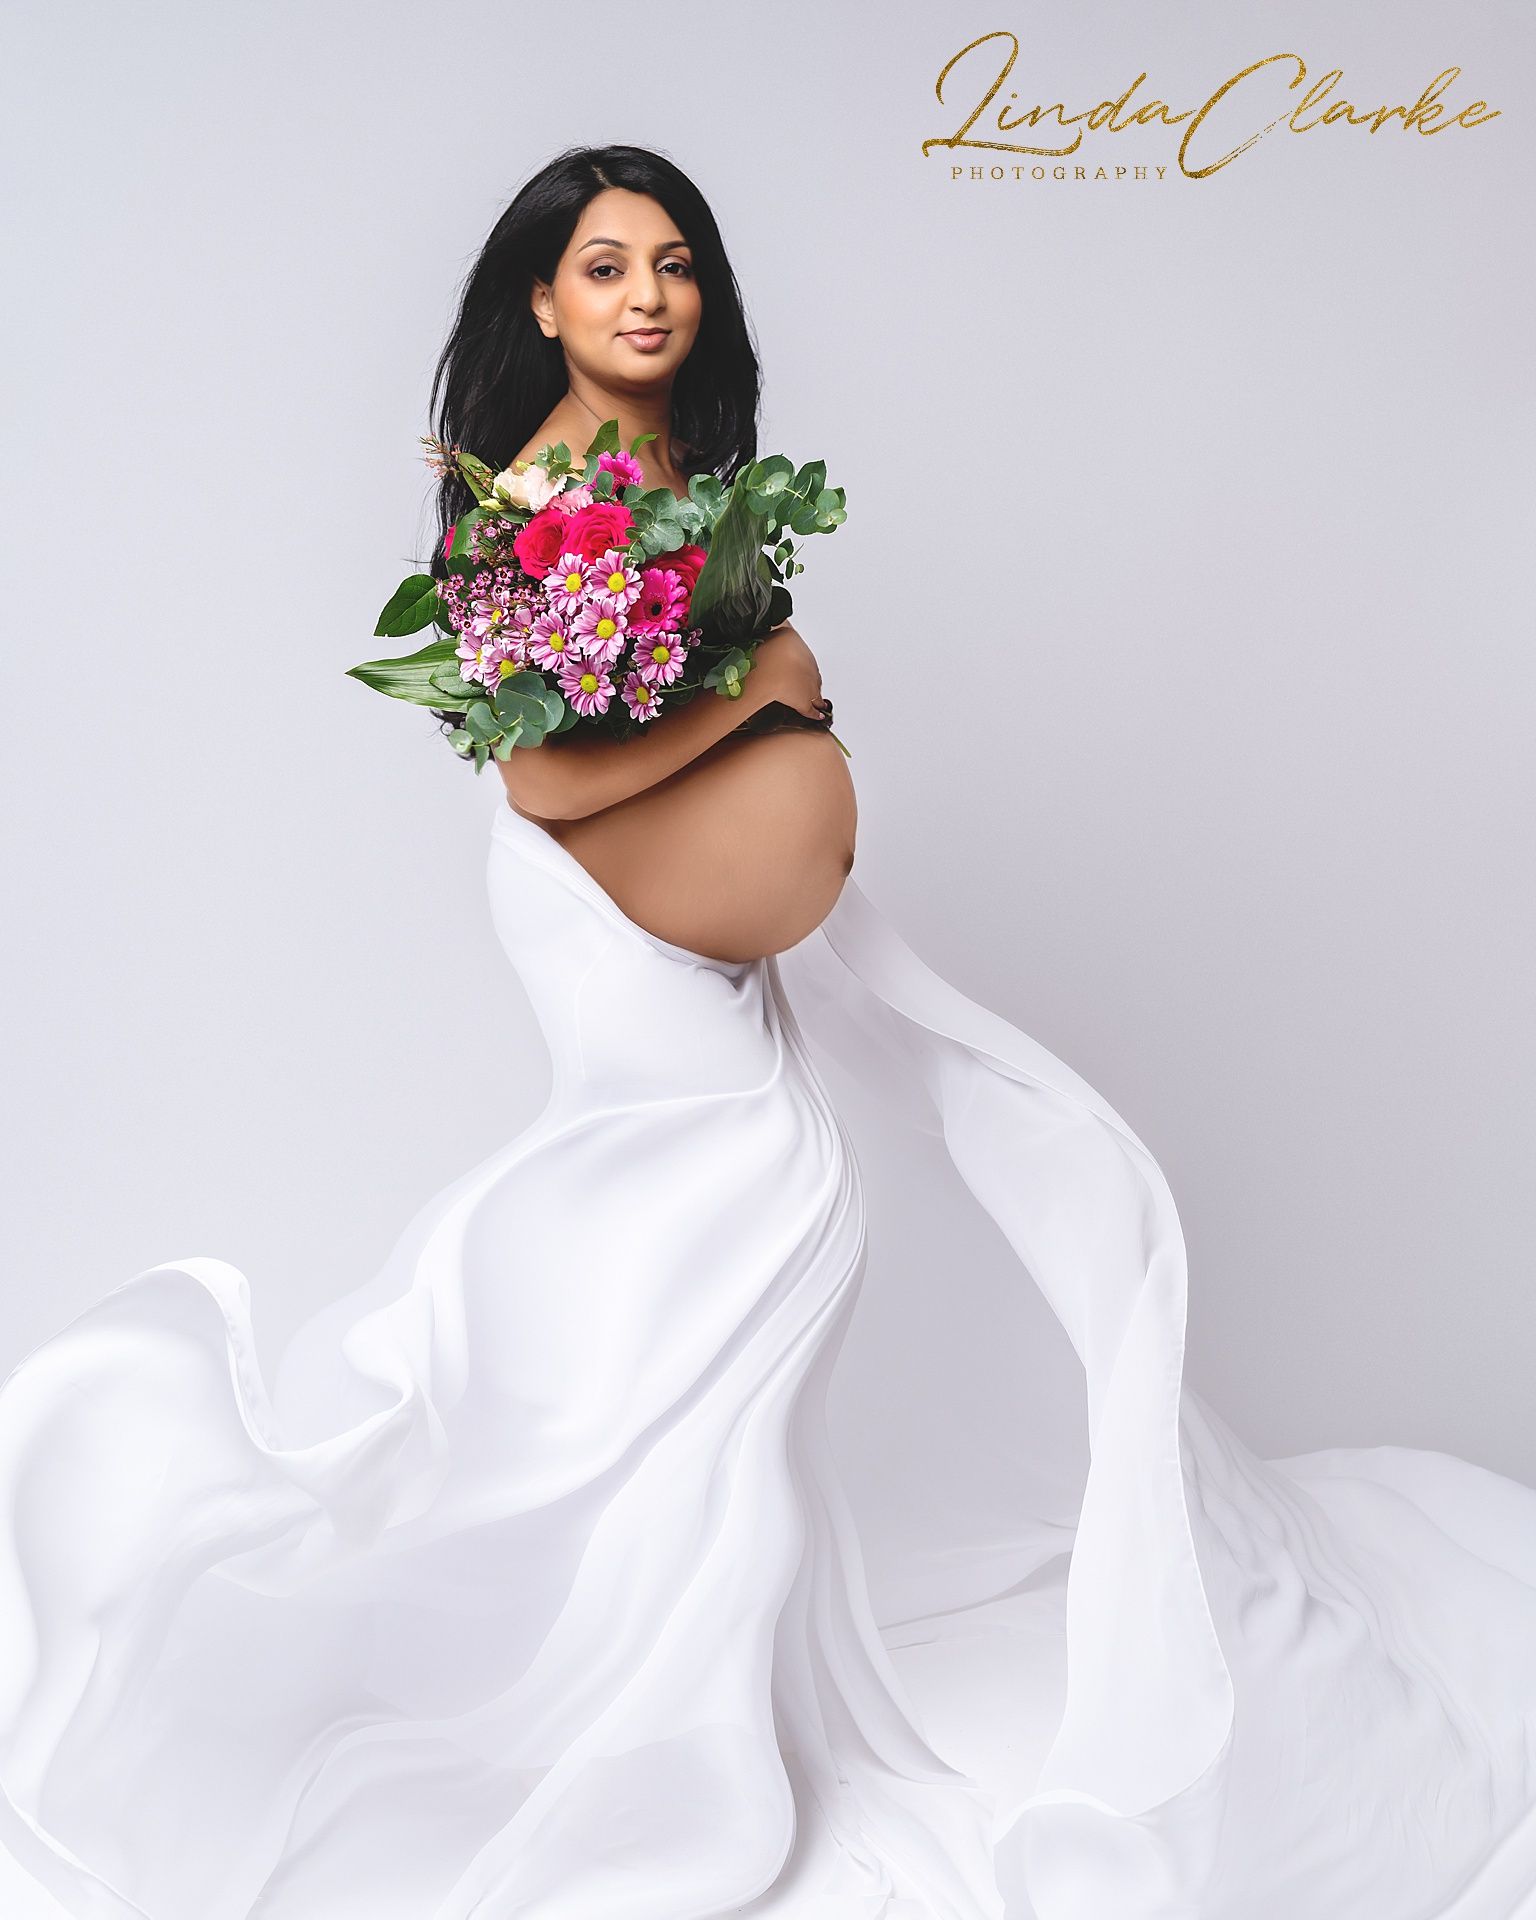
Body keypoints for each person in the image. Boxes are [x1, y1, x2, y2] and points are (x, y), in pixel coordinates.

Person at [2, 143, 1535, 1920]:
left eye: (673, 264)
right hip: (601, 918)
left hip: (685, 918)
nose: (646, 294)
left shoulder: (674, 473)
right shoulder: (541, 488)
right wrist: (769, 694)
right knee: (727, 1217)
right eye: (604, 267)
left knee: (762, 1231)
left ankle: (710, 1641)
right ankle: (542, 1662)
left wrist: (758, 712)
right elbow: (541, 774)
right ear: (542, 301)